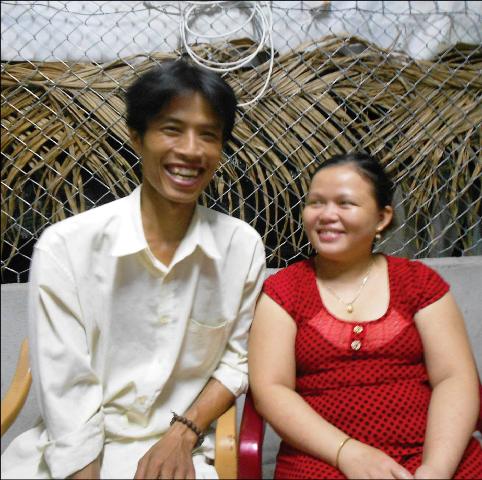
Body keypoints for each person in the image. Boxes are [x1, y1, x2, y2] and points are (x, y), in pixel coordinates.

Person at [1, 60, 266, 479]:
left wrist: (183, 434)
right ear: (136, 137)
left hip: (181, 450)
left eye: (208, 135)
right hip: (78, 450)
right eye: (172, 129)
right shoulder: (66, 247)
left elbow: (237, 361)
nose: (191, 150)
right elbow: (68, 386)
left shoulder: (241, 247)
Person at [248, 152, 482, 479]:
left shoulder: (419, 283)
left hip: (432, 453)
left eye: (345, 203)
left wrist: (435, 469)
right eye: (316, 203)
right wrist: (347, 452)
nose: (327, 215)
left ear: (382, 218)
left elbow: (454, 378)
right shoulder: (284, 291)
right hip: (324, 457)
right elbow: (272, 390)